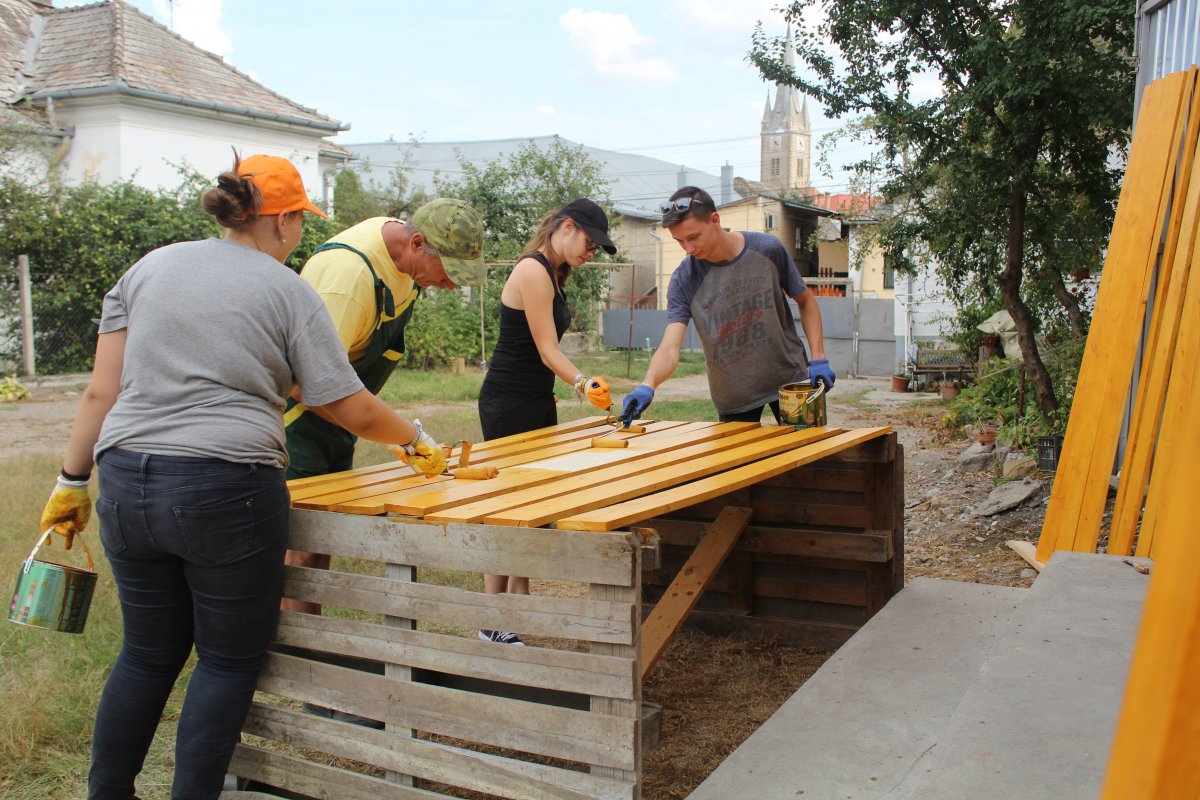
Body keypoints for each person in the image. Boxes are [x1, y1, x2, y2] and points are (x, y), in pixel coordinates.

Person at [38, 153, 446, 800]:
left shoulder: (146, 268)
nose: (301, 236)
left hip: (123, 484)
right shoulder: (289, 290)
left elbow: (99, 393)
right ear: (281, 221)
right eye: (299, 222)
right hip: (224, 488)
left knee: (146, 655)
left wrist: (70, 482)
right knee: (226, 662)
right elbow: (342, 402)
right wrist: (415, 439)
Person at [281, 199, 486, 616]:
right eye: (447, 273)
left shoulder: (402, 260)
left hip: (335, 423)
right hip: (292, 425)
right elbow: (308, 384)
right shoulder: (349, 276)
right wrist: (404, 436)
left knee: (323, 543)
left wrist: (375, 426)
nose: (449, 285)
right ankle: (291, 659)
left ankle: (309, 646)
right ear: (415, 243)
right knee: (298, 551)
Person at [476, 198, 617, 645]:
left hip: (535, 401)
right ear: (568, 227)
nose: (590, 253)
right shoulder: (533, 271)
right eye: (590, 243)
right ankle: (491, 621)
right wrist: (584, 382)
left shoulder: (554, 273)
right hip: (508, 404)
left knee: (530, 511)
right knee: (507, 510)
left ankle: (517, 613)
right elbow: (546, 350)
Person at [621, 186, 835, 426]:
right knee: (741, 464)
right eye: (679, 241)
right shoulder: (684, 279)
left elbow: (806, 301)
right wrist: (647, 384)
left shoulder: (767, 249)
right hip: (734, 395)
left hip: (790, 381)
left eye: (693, 237)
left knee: (806, 458)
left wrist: (818, 358)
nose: (688, 249)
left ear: (715, 220)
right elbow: (670, 348)